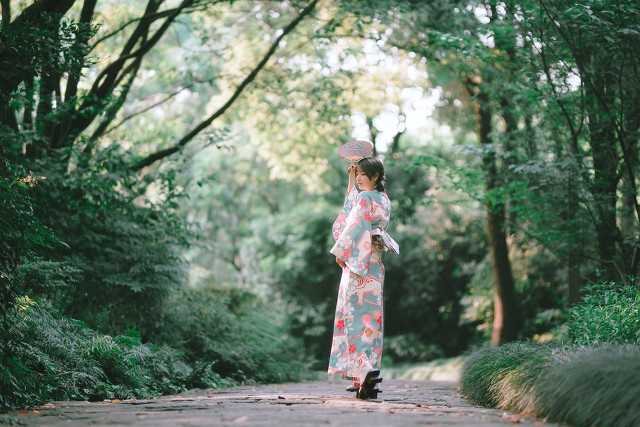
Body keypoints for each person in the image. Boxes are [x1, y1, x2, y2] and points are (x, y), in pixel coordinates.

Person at [327, 156, 399, 399]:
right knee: (370, 323)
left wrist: (341, 251)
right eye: (356, 174)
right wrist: (351, 184)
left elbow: (352, 225)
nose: (358, 179)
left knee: (353, 320)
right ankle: (363, 377)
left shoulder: (365, 198)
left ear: (375, 176)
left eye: (362, 175)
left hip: (358, 264)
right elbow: (356, 214)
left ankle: (364, 373)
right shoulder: (383, 199)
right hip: (375, 266)